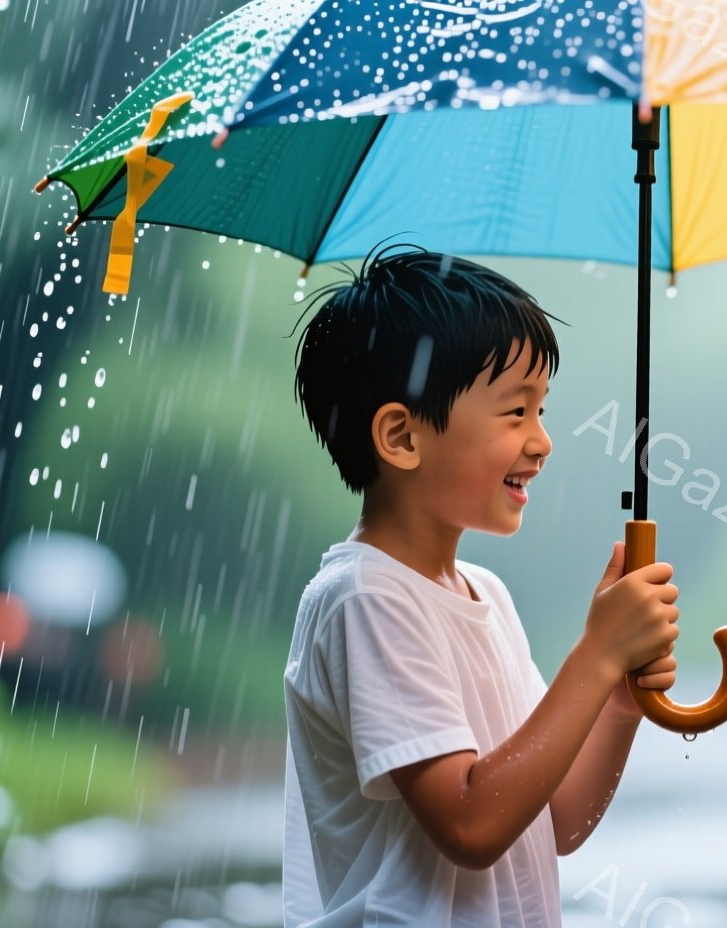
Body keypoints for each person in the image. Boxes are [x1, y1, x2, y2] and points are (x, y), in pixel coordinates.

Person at [281, 244, 681, 927]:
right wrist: (594, 656)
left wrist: (615, 704)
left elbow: (553, 820)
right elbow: (470, 822)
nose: (542, 441)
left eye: (542, 410)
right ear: (402, 437)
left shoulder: (484, 595)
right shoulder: (368, 599)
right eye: (514, 412)